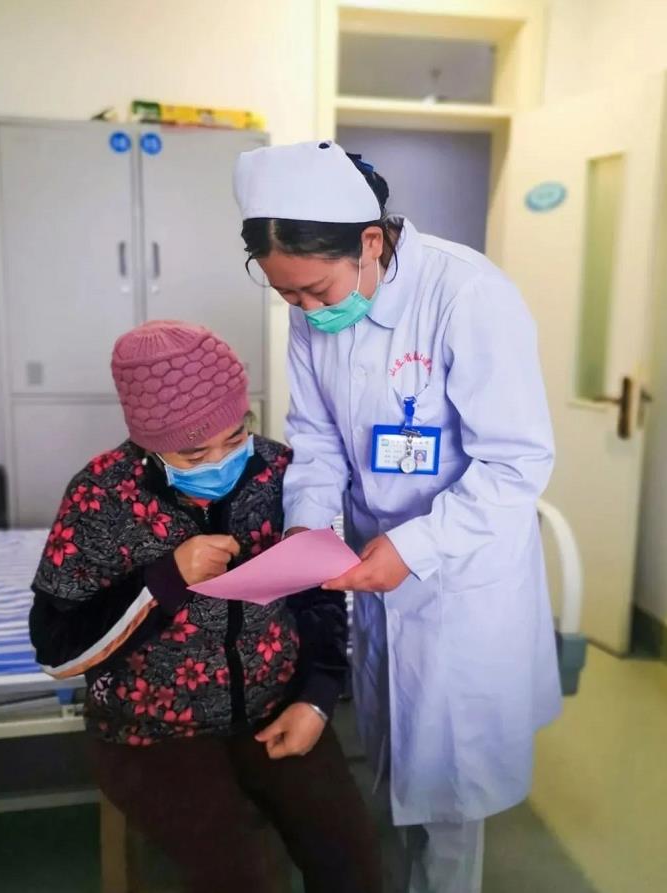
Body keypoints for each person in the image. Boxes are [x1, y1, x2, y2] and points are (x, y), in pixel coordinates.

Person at [234, 141, 562, 893]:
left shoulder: (466, 295)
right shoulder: (315, 307)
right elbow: (316, 438)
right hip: (374, 571)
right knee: (400, 761)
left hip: (457, 574)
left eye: (315, 290)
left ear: (370, 242)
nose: (308, 311)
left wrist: (415, 546)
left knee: (450, 799)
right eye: (288, 297)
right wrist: (308, 528)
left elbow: (515, 463)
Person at [29, 320, 382, 893]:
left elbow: (318, 596)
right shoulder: (100, 497)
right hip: (152, 731)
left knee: (354, 865)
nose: (222, 460)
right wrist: (163, 580)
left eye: (236, 436)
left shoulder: (280, 472)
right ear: (147, 443)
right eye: (195, 453)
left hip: (276, 706)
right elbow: (57, 650)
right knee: (241, 878)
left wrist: (317, 700)